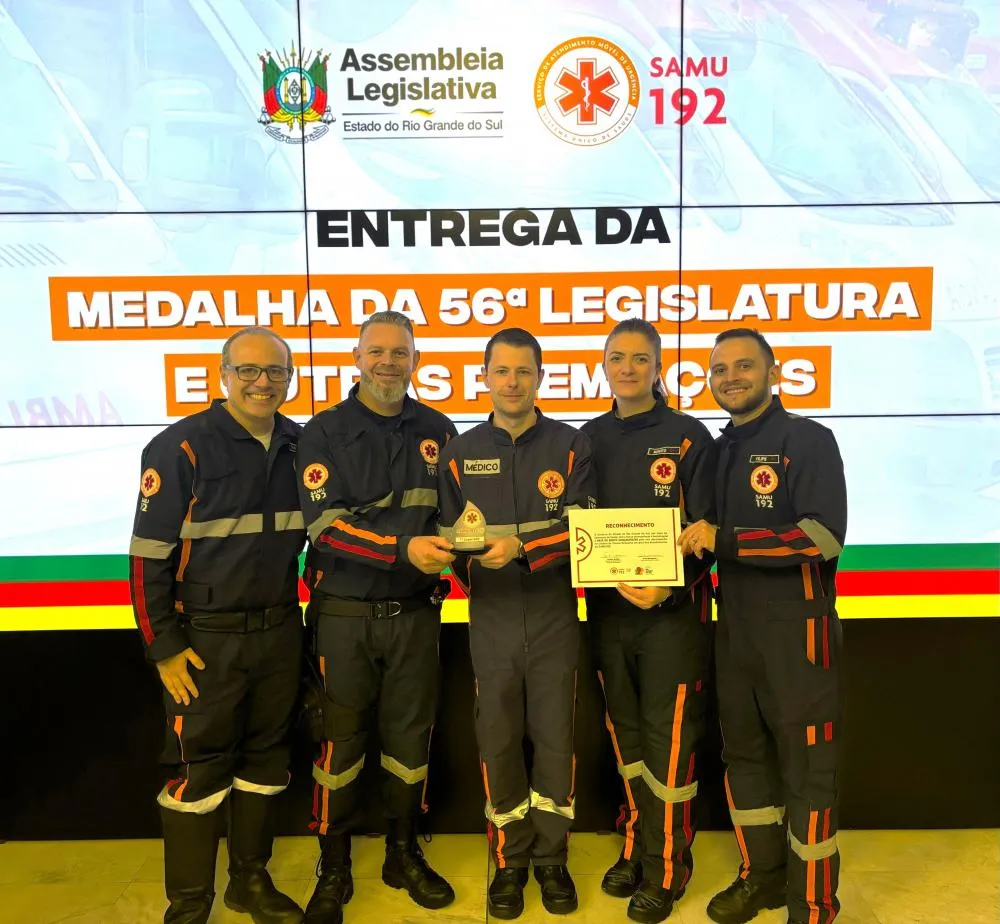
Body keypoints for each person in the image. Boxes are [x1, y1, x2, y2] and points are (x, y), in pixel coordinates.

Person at [128, 326, 307, 924]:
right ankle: (189, 904)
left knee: (266, 762)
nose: (263, 383)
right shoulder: (180, 447)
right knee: (199, 769)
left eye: (276, 372)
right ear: (223, 375)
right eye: (250, 371)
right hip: (203, 641)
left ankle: (248, 884)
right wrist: (163, 648)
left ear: (290, 379)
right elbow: (146, 558)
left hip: (281, 631)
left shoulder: (300, 446)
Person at [678, 328, 848, 924]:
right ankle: (764, 878)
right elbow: (696, 541)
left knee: (807, 771)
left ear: (773, 372)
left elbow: (821, 538)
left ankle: (814, 903)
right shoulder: (718, 450)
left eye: (744, 366)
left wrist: (723, 540)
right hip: (735, 630)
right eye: (719, 369)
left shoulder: (808, 439)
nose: (731, 378)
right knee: (744, 759)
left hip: (798, 633)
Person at [296, 310, 458, 924]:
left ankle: (401, 851)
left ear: (415, 360)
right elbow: (325, 529)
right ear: (357, 357)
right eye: (377, 351)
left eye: (400, 352)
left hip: (416, 616)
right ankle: (333, 865)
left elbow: (455, 519)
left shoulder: (439, 430)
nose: (388, 362)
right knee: (339, 743)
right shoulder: (324, 432)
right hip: (343, 616)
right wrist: (401, 550)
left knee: (410, 741)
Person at [438, 328, 597, 920]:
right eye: (501, 371)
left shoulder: (571, 446)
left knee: (557, 740)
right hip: (493, 619)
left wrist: (521, 545)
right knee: (498, 739)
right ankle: (510, 861)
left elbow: (584, 525)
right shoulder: (458, 453)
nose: (512, 382)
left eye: (523, 371)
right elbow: (451, 538)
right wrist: (472, 561)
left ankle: (552, 861)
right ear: (484, 377)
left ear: (540, 377)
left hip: (556, 614)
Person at [580, 319, 717, 924]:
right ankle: (638, 844)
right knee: (627, 738)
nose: (628, 368)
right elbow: (578, 524)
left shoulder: (689, 437)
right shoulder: (585, 438)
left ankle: (668, 865)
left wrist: (669, 585)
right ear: (602, 367)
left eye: (641, 358)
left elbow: (710, 531)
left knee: (670, 747)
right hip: (608, 615)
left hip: (674, 618)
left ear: (659, 367)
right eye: (617, 357)